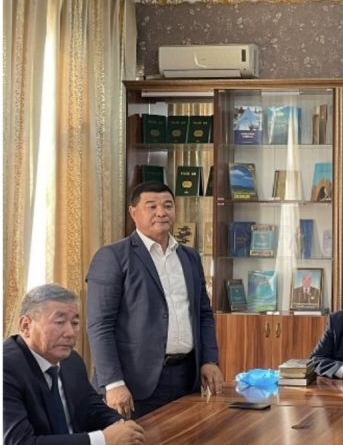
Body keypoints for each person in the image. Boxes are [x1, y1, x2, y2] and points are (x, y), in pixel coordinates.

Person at [87, 181, 224, 419]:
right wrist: (113, 383)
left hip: (186, 377)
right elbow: (100, 325)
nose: (161, 212)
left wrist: (209, 360)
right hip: (134, 383)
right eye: (152, 206)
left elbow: (203, 314)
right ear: (133, 213)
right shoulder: (112, 257)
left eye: (168, 206)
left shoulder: (189, 257)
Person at [4, 284, 145, 444]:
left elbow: (93, 409)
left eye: (75, 323)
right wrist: (103, 439)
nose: (70, 333)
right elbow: (19, 442)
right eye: (59, 322)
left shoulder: (72, 361)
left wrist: (123, 427)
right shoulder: (6, 368)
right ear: (26, 326)